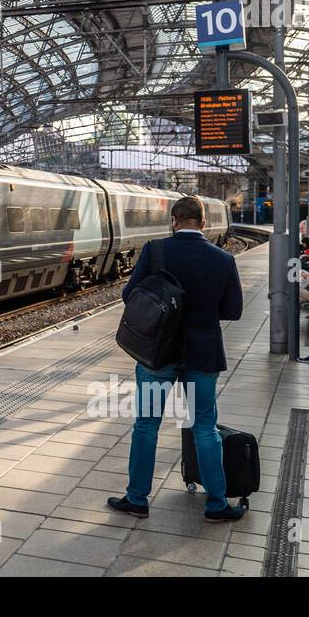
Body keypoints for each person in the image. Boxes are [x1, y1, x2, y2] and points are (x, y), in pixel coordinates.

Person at [108, 196, 247, 523]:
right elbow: (234, 311)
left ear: (174, 220)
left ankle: (138, 500)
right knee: (204, 428)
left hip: (158, 355)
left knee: (146, 426)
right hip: (202, 355)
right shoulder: (223, 259)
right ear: (203, 222)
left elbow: (130, 296)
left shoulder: (155, 251)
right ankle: (216, 505)